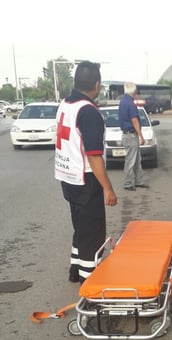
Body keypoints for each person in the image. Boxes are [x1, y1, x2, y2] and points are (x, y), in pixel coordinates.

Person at [55, 61, 117, 284]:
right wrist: (108, 189)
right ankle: (89, 287)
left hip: (67, 177)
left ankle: (75, 268)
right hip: (85, 180)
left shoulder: (66, 104)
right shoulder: (89, 112)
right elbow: (93, 155)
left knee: (80, 227)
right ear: (97, 84)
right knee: (92, 234)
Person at [118, 82, 146, 190]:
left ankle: (139, 181)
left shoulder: (123, 102)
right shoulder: (130, 103)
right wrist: (141, 136)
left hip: (126, 134)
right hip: (131, 135)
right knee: (131, 160)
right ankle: (128, 183)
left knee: (137, 159)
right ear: (134, 91)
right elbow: (134, 120)